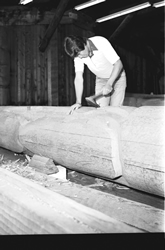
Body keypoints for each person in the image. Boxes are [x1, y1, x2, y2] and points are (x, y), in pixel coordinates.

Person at [64, 35, 127, 114]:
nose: (79, 57)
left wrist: (109, 83)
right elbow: (78, 78)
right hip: (101, 79)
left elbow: (118, 64)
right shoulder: (78, 55)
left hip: (118, 77)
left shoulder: (101, 42)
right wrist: (78, 102)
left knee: (115, 110)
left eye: (80, 54)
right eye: (77, 56)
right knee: (101, 111)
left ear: (84, 44)